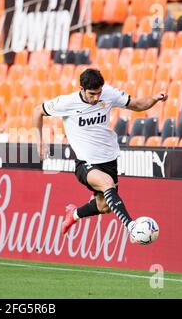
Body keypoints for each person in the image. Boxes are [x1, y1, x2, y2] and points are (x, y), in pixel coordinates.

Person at [32, 68, 168, 241]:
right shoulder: (66, 103)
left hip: (109, 159)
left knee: (104, 207)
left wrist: (154, 99)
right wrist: (40, 142)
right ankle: (131, 227)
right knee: (107, 183)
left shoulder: (108, 94)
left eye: (99, 93)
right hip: (85, 162)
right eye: (92, 94)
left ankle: (74, 214)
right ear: (81, 89)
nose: (96, 98)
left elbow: (137, 105)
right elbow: (37, 111)